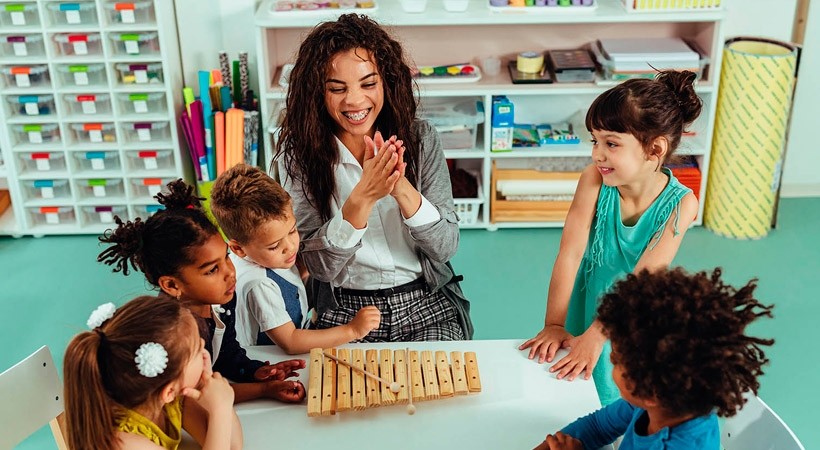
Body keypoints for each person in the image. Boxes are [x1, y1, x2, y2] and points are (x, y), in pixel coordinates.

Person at [274, 13, 472, 341]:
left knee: (442, 392)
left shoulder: (421, 139)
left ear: (387, 81)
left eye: (368, 84)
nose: (354, 100)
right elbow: (319, 267)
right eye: (337, 89)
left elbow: (444, 248)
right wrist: (362, 197)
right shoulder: (297, 156)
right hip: (344, 312)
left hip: (425, 300)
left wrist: (399, 186)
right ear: (316, 94)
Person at [519, 70, 702, 405]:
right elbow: (570, 253)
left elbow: (639, 283)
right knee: (573, 391)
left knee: (619, 398)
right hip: (587, 303)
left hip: (633, 317)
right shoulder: (593, 180)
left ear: (654, 149)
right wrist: (555, 323)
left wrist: (597, 335)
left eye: (611, 144)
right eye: (595, 141)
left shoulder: (681, 205)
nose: (597, 154)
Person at [97, 179, 306, 404]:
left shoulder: (221, 299)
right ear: (172, 285)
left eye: (226, 257)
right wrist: (264, 390)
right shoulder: (175, 331)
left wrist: (256, 372)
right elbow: (197, 395)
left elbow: (226, 355)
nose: (230, 273)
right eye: (212, 270)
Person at [533, 267, 774, 450]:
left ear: (649, 392)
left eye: (615, 361)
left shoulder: (679, 445)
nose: (610, 364)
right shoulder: (656, 402)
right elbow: (598, 426)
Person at [209, 163, 381, 353]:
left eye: (292, 231)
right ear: (238, 249)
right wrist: (352, 330)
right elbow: (290, 342)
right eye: (274, 246)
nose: (290, 247)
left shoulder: (260, 256)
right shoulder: (260, 284)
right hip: (272, 362)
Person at [63, 295, 242, 450]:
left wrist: (209, 385)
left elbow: (232, 445)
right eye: (197, 349)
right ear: (169, 391)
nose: (204, 348)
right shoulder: (125, 443)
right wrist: (220, 409)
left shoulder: (170, 401)